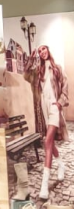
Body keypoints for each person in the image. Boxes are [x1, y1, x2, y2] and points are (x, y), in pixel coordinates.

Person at [25, 45, 69, 199]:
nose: (42, 52)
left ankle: (44, 184)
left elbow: (65, 87)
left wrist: (60, 103)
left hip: (54, 107)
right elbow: (26, 76)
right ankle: (61, 164)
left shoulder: (57, 68)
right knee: (49, 142)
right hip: (43, 108)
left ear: (48, 50)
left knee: (47, 141)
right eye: (39, 51)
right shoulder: (39, 70)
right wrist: (31, 59)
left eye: (44, 49)